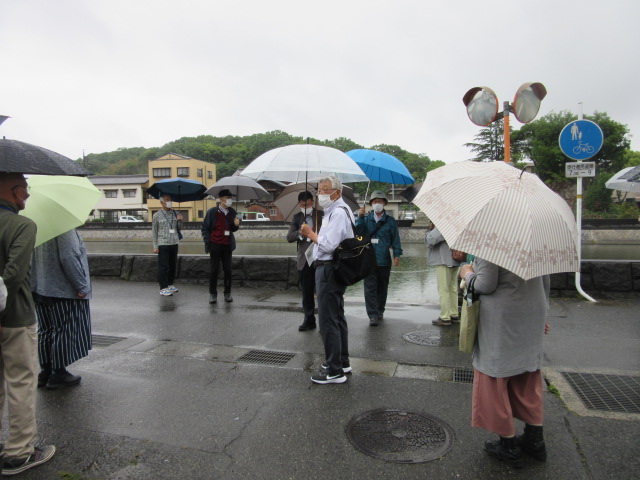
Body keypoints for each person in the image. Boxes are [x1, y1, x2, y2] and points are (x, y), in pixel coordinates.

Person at [459, 259, 550, 468]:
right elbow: (546, 283)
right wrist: (543, 315)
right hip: (534, 311)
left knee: (495, 378)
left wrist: (466, 273)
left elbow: (485, 284)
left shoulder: (491, 241)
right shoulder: (536, 242)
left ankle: (508, 445)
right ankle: (535, 441)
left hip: (502, 318)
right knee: (528, 377)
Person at [0, 173, 56, 475]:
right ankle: (19, 452)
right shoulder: (22, 225)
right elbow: (14, 274)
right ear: (13, 190)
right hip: (16, 316)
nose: (28, 195)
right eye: (25, 188)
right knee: (21, 381)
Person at [300, 176, 354, 385]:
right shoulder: (339, 211)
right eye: (319, 190)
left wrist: (310, 233)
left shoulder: (338, 213)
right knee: (337, 317)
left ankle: (334, 371)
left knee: (328, 321)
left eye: (325, 190)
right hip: (333, 269)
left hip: (329, 269)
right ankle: (341, 361)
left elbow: (329, 245)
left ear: (336, 193)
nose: (320, 194)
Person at [30, 229, 92, 389]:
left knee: (45, 331)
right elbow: (69, 257)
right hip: (62, 289)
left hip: (40, 286)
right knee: (63, 330)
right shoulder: (65, 228)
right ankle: (58, 373)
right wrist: (82, 286)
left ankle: (45, 372)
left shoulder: (39, 227)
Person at [355, 190, 402, 326]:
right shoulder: (367, 218)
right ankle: (372, 315)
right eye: (375, 202)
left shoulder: (390, 221)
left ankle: (380, 310)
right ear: (371, 204)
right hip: (369, 258)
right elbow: (359, 233)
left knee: (382, 287)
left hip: (384, 259)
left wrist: (397, 255)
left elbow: (395, 239)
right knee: (369, 289)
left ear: (384, 203)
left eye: (380, 202)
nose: (377, 204)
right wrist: (360, 217)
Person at [286, 191, 323, 331]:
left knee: (322, 291)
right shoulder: (297, 217)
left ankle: (324, 321)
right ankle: (309, 320)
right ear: (299, 204)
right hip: (305, 259)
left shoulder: (321, 215)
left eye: (308, 204)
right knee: (307, 292)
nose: (305, 206)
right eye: (302, 204)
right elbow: (289, 237)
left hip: (320, 257)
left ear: (312, 202)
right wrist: (300, 234)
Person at [201, 189, 240, 304]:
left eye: (230, 198)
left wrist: (236, 225)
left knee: (227, 270)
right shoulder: (212, 212)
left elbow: (232, 229)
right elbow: (205, 228)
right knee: (214, 270)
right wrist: (208, 242)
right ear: (221, 199)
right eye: (228, 198)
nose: (230, 200)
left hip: (227, 245)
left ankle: (227, 293)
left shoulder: (232, 212)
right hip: (215, 244)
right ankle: (213, 294)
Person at [425, 223, 460, 326]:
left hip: (443, 259)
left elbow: (431, 239)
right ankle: (454, 314)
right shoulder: (457, 224)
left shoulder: (444, 224)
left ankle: (445, 316)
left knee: (443, 289)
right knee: (453, 289)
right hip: (454, 260)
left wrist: (429, 232)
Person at [152, 194, 183, 296]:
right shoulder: (156, 215)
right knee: (163, 266)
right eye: (167, 200)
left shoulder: (175, 213)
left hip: (174, 242)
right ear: (162, 202)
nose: (170, 201)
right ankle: (163, 287)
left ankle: (170, 284)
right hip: (163, 243)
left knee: (172, 266)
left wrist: (180, 220)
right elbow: (154, 232)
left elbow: (179, 228)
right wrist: (155, 246)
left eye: (170, 199)